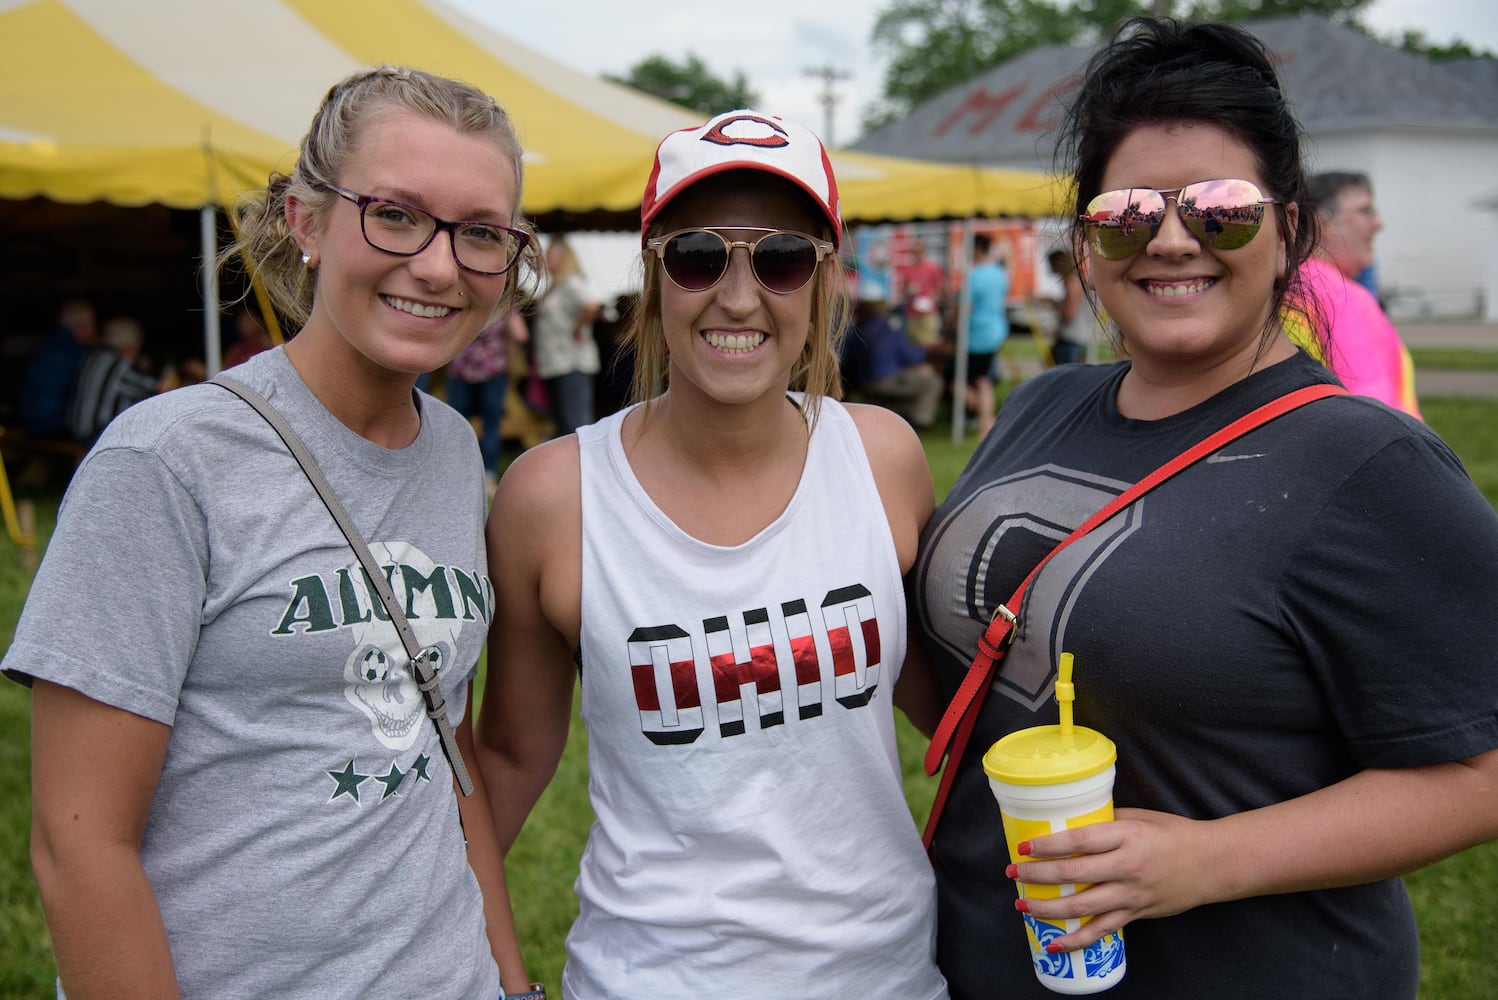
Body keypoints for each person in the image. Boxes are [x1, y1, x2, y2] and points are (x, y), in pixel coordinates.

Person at [911, 19, 1498, 1000]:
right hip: (978, 960)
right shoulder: (1038, 407)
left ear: (1288, 234)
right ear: (1087, 247)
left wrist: (1209, 858)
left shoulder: (1366, 461)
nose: (1171, 239)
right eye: (1128, 213)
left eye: (1220, 209)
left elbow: (1480, 770)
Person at [8, 66, 547, 999]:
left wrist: (509, 978)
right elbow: (78, 845)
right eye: (397, 213)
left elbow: (440, 751)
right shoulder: (169, 460)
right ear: (305, 221)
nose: (437, 264)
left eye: (481, 234)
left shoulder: (458, 451)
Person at [475, 108, 949, 1000]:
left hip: (883, 975)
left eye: (780, 258)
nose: (738, 297)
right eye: (699, 255)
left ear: (822, 277)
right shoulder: (552, 497)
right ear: (654, 277)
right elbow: (505, 760)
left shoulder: (882, 456)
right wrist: (500, 977)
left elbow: (949, 706)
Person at [1297, 170, 1422, 417]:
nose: (1378, 223)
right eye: (1365, 211)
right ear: (1321, 222)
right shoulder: (1336, 294)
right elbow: (1376, 406)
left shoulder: (1296, 286)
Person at [845, 279, 944, 428]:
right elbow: (912, 356)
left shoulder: (856, 330)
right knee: (932, 382)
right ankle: (919, 421)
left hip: (862, 381)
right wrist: (926, 350)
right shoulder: (890, 328)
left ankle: (904, 417)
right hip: (884, 381)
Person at [446, 307, 528, 483]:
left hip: (462, 367)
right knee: (492, 422)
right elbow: (521, 334)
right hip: (493, 369)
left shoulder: (464, 302)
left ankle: (455, 472)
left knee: (454, 422)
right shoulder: (505, 306)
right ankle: (488, 473)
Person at [532, 235, 602, 436]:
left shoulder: (572, 282)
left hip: (572, 362)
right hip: (555, 363)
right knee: (562, 421)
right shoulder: (555, 287)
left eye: (552, 255)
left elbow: (592, 305)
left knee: (576, 420)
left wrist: (578, 328)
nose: (547, 260)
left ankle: (586, 464)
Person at [67, 316, 166, 444]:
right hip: (96, 436)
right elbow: (157, 388)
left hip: (77, 430)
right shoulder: (119, 365)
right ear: (131, 345)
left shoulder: (93, 356)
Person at [21, 299, 97, 438]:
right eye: (87, 325)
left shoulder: (50, 345)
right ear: (76, 326)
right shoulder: (75, 352)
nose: (92, 330)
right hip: (52, 423)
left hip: (31, 420)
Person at [962, 232, 1009, 438]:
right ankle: (986, 418)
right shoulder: (999, 273)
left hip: (977, 335)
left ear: (977, 250)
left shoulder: (974, 276)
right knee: (983, 379)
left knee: (972, 380)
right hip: (995, 331)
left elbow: (964, 307)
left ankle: (986, 419)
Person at [1044, 247, 1092, 365]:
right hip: (1077, 338)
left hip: (1072, 339)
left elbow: (1069, 314)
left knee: (1066, 379)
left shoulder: (1072, 282)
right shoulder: (1074, 280)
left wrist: (1053, 305)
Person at [899, 238, 946, 348]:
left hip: (928, 313)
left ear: (923, 251)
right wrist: (908, 291)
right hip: (912, 313)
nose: (916, 254)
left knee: (929, 343)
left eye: (918, 252)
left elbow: (941, 288)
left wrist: (933, 297)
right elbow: (902, 291)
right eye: (914, 252)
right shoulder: (908, 269)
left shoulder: (932, 267)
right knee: (912, 343)